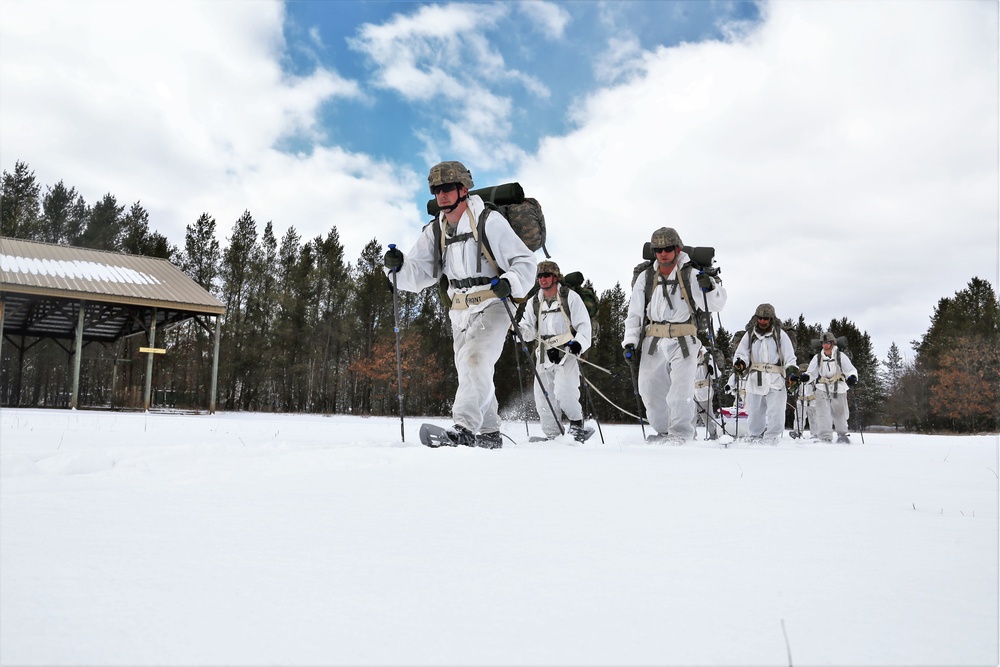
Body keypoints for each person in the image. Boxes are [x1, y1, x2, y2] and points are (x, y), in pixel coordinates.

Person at [383, 161, 536, 448]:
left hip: (494, 302)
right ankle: (489, 433)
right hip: (460, 310)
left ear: (463, 189)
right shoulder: (435, 230)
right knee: (471, 370)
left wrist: (511, 282)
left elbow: (525, 262)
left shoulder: (488, 221)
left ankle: (464, 428)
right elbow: (420, 272)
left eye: (447, 188)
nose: (441, 195)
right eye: (436, 190)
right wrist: (398, 267)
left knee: (474, 360)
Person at [622, 227, 727, 443]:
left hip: (684, 339)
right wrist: (630, 342)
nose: (663, 253)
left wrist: (711, 286)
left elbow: (716, 304)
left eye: (667, 248)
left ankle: (681, 434)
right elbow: (634, 313)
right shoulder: (646, 276)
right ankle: (663, 431)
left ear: (677, 248)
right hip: (654, 340)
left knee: (680, 392)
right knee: (649, 390)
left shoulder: (691, 273)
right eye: (658, 249)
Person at [517, 260, 594, 442]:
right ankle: (553, 435)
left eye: (546, 275)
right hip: (543, 353)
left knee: (565, 390)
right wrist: (518, 331)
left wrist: (578, 344)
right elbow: (527, 328)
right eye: (540, 276)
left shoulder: (570, 297)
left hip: (566, 351)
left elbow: (584, 326)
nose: (543, 279)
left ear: (555, 277)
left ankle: (576, 424)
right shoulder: (535, 301)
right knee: (543, 396)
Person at [732, 304, 798, 444]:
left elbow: (789, 356)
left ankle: (771, 438)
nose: (762, 321)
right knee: (754, 412)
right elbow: (741, 353)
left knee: (776, 412)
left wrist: (792, 371)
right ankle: (756, 435)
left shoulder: (780, 334)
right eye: (760, 318)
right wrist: (740, 363)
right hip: (755, 378)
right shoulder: (750, 335)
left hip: (775, 378)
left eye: (765, 318)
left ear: (771, 319)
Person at [804, 331, 859, 443]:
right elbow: (812, 372)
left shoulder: (840, 356)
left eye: (828, 342)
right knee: (822, 413)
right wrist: (806, 377)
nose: (826, 345)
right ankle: (825, 437)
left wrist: (852, 377)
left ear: (833, 343)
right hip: (822, 387)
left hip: (838, 386)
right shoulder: (818, 357)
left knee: (840, 412)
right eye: (824, 343)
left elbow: (850, 369)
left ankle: (842, 434)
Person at [692, 344, 722, 440]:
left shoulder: (707, 357)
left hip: (704, 390)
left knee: (706, 415)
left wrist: (712, 371)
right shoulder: (687, 357)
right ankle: (691, 436)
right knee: (690, 415)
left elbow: (717, 375)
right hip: (690, 390)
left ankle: (713, 435)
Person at [789, 363, 816, 439]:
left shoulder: (813, 378)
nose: (803, 373)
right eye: (801, 371)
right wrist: (791, 389)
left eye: (805, 371)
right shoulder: (798, 380)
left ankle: (815, 434)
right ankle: (797, 432)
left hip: (813, 401)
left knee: (814, 418)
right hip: (801, 401)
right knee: (799, 417)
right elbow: (793, 390)